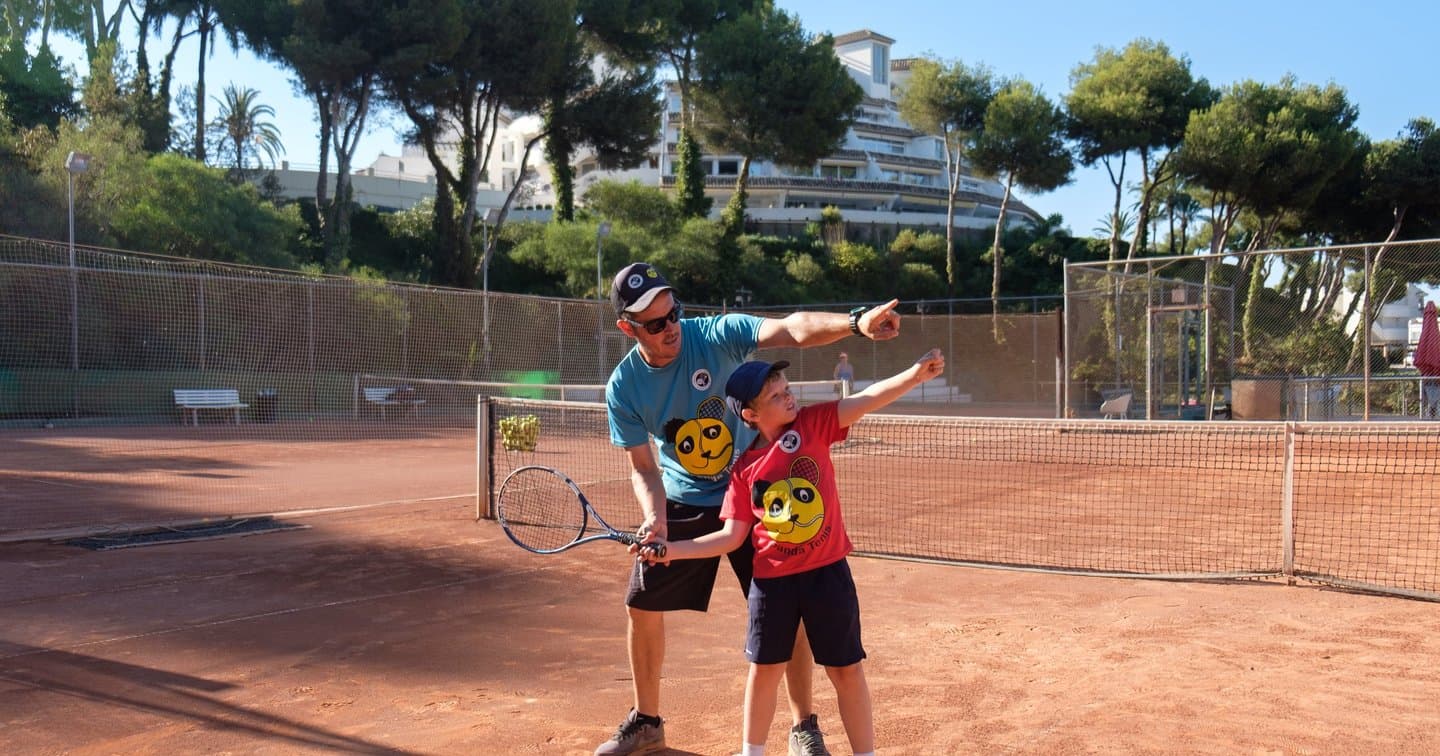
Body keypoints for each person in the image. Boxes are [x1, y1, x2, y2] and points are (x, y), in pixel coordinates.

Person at [600, 262, 901, 756]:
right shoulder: (624, 386)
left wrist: (855, 322)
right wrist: (655, 517)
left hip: (760, 487)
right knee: (641, 603)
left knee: (792, 606)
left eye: (672, 313)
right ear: (628, 328)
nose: (670, 327)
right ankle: (648, 720)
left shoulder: (715, 334)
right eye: (654, 324)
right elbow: (644, 468)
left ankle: (804, 726)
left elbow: (790, 329)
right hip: (684, 496)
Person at [640, 350, 946, 756]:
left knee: (845, 669)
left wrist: (913, 373)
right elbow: (732, 536)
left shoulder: (815, 424)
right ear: (750, 415)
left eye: (786, 389)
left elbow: (868, 398)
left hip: (828, 574)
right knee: (764, 671)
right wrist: (671, 550)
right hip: (771, 585)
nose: (788, 397)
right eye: (775, 396)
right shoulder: (744, 469)